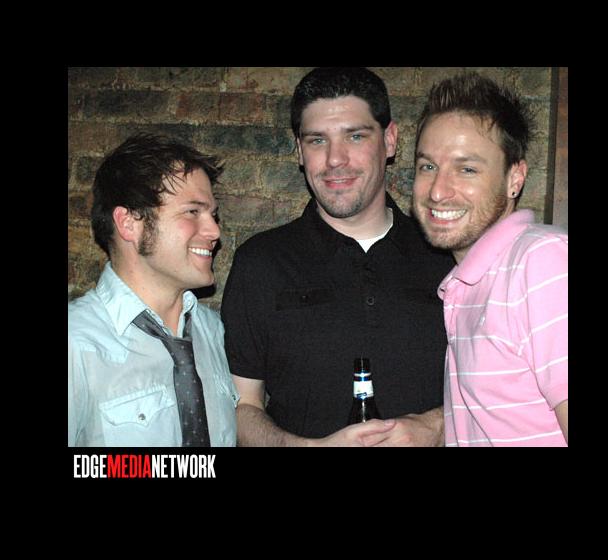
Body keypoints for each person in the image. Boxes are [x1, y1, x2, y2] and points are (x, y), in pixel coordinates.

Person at [221, 67, 455, 446]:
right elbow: (240, 407)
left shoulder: (448, 258)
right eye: (317, 140)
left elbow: (499, 386)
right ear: (300, 151)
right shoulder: (260, 263)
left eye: (355, 136)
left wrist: (438, 427)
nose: (335, 159)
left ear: (390, 140)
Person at [411, 72, 568, 446]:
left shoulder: (542, 262)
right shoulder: (468, 283)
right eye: (428, 166)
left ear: (515, 178)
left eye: (467, 169)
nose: (438, 191)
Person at [68, 133, 239, 447]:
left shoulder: (213, 331)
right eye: (192, 212)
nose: (214, 230)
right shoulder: (76, 342)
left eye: (213, 215)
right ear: (129, 223)